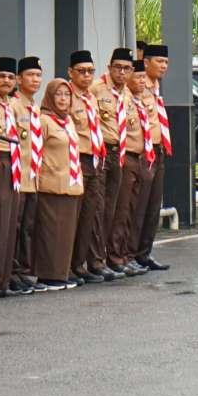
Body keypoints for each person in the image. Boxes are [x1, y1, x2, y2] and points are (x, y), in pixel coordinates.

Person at [31, 78, 84, 289]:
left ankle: (61, 271)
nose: (63, 99)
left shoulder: (68, 121)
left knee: (66, 232)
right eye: (58, 95)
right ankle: (48, 274)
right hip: (51, 183)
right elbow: (36, 152)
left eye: (67, 95)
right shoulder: (44, 120)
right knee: (50, 232)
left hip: (71, 183)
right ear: (49, 97)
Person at [89, 48, 135, 282]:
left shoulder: (127, 94)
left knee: (115, 209)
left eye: (127, 68)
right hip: (102, 152)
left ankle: (110, 257)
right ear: (109, 68)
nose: (122, 72)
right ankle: (95, 260)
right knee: (98, 208)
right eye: (117, 67)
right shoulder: (96, 89)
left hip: (120, 152)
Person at [0, 57, 27, 297]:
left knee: (10, 223)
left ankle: (3, 278)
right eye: (1, 76)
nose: (6, 81)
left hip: (14, 163)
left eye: (11, 77)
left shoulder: (12, 104)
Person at [66, 50, 107, 285]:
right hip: (77, 160)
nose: (86, 75)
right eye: (81, 71)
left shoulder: (91, 97)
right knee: (75, 214)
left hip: (95, 159)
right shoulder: (66, 96)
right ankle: (69, 263)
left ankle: (81, 263)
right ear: (70, 72)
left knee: (90, 215)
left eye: (90, 71)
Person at [108, 64, 153, 276]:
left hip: (139, 157)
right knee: (121, 210)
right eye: (140, 76)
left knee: (132, 211)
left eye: (145, 77)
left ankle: (126, 254)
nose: (143, 81)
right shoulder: (113, 95)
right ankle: (115, 256)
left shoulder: (135, 99)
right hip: (122, 157)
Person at [133, 44, 172, 271]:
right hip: (143, 152)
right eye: (159, 61)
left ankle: (144, 252)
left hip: (158, 150)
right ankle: (130, 253)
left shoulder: (155, 86)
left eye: (166, 62)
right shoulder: (138, 86)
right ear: (146, 62)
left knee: (153, 205)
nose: (164, 66)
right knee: (139, 206)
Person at [11, 56, 47, 293]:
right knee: (15, 226)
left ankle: (23, 270)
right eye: (30, 75)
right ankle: (13, 271)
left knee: (27, 226)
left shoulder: (33, 106)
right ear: (18, 78)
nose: (35, 80)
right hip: (18, 175)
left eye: (38, 75)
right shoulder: (13, 105)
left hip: (32, 176)